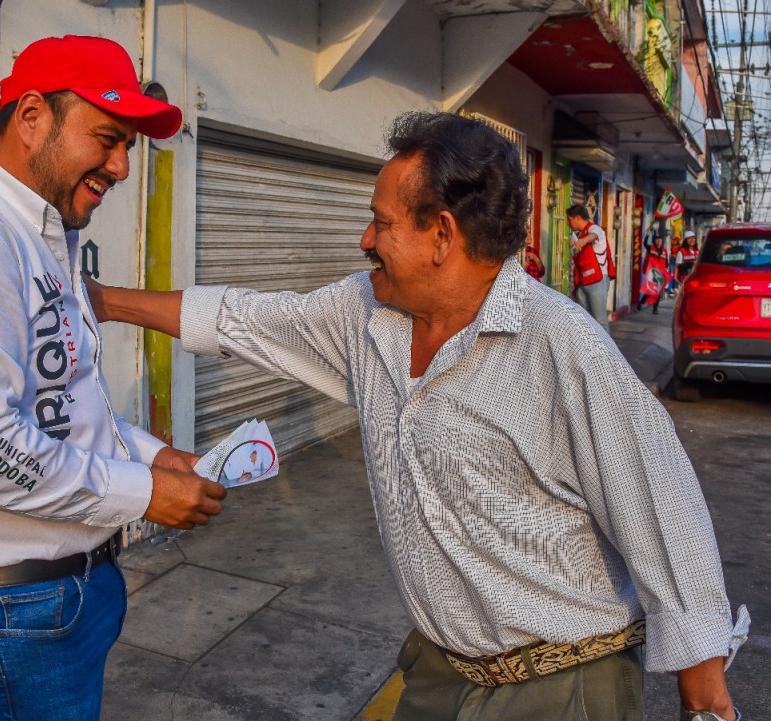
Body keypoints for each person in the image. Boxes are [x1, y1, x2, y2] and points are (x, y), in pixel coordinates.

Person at [88, 112, 747, 721]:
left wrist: (704, 696)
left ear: (442, 235)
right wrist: (102, 301)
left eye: (381, 223)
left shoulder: (561, 346)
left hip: (563, 687)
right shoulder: (363, 312)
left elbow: (663, 511)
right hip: (438, 673)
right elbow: (246, 318)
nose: (364, 239)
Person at [0, 35, 226, 721]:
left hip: (52, 596)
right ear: (32, 118)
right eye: (107, 139)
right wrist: (143, 491)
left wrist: (151, 455)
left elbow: (63, 402)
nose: (121, 166)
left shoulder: (36, 235)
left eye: (128, 147)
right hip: (7, 606)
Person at [566, 204, 614, 331]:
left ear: (577, 218)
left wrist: (584, 240)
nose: (568, 223)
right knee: (585, 321)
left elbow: (594, 235)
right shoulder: (579, 234)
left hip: (597, 280)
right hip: (583, 282)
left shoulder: (595, 229)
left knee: (600, 321)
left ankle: (605, 344)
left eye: (569, 219)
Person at [637, 233, 670, 313]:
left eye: (660, 240)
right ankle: (641, 303)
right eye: (657, 240)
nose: (659, 242)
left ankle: (655, 309)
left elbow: (666, 263)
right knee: (650, 290)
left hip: (660, 274)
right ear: (654, 241)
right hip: (652, 273)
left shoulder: (664, 251)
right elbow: (645, 243)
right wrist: (647, 235)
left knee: (658, 292)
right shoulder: (651, 248)